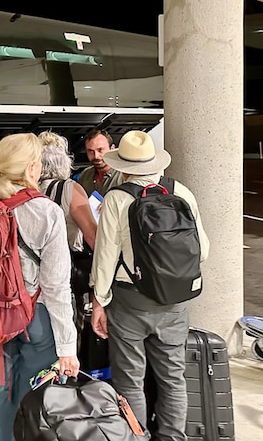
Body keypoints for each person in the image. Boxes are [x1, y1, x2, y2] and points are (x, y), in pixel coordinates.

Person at [90, 130, 209, 441]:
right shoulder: (181, 191)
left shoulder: (118, 198)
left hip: (130, 300)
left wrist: (99, 302)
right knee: (173, 377)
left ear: (123, 166)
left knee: (130, 378)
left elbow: (105, 257)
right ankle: (173, 437)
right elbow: (203, 250)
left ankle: (137, 436)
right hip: (175, 300)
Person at [0, 133, 79, 441]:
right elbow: (56, 286)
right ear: (32, 168)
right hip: (35, 317)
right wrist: (67, 347)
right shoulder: (46, 211)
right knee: (35, 395)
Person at [38, 131, 98, 328]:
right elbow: (92, 236)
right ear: (64, 161)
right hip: (66, 274)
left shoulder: (25, 190)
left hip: (32, 274)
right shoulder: (69, 188)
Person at [76, 129, 123, 197]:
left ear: (112, 149)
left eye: (100, 150)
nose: (96, 156)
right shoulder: (85, 175)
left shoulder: (123, 175)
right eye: (91, 151)